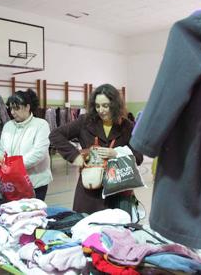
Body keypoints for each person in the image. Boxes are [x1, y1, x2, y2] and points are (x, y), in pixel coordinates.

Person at [49, 84, 143, 214]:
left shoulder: (127, 126)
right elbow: (55, 135)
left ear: (115, 104)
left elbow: (138, 157)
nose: (101, 110)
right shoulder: (85, 121)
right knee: (85, 229)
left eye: (105, 105)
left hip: (117, 193)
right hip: (89, 191)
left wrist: (117, 153)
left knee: (115, 232)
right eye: (97, 106)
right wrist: (74, 156)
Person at [0, 89, 52, 200]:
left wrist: (13, 167)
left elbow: (38, 153)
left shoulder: (41, 125)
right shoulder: (8, 125)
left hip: (35, 182)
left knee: (33, 214)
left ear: (27, 107)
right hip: (12, 182)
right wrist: (3, 163)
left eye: (16, 108)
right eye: (11, 108)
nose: (12, 112)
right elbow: (1, 148)